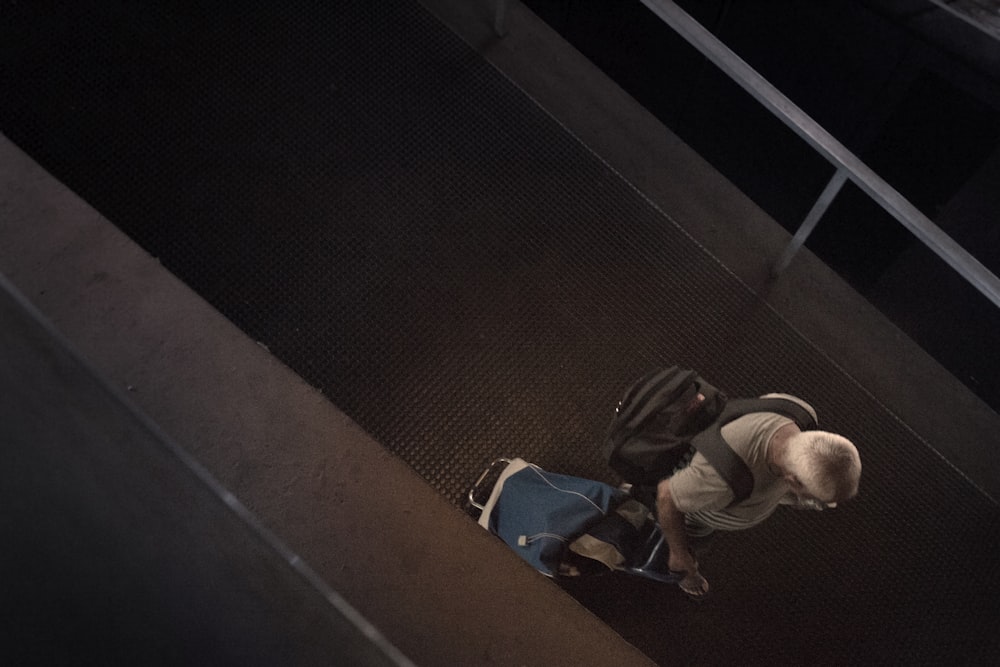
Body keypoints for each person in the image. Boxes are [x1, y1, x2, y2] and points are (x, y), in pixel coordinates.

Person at [655, 393, 861, 599]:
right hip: (695, 517)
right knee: (685, 546)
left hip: (730, 492)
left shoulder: (800, 412)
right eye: (814, 496)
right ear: (792, 481)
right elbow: (666, 496)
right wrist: (680, 559)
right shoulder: (721, 479)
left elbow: (762, 401)